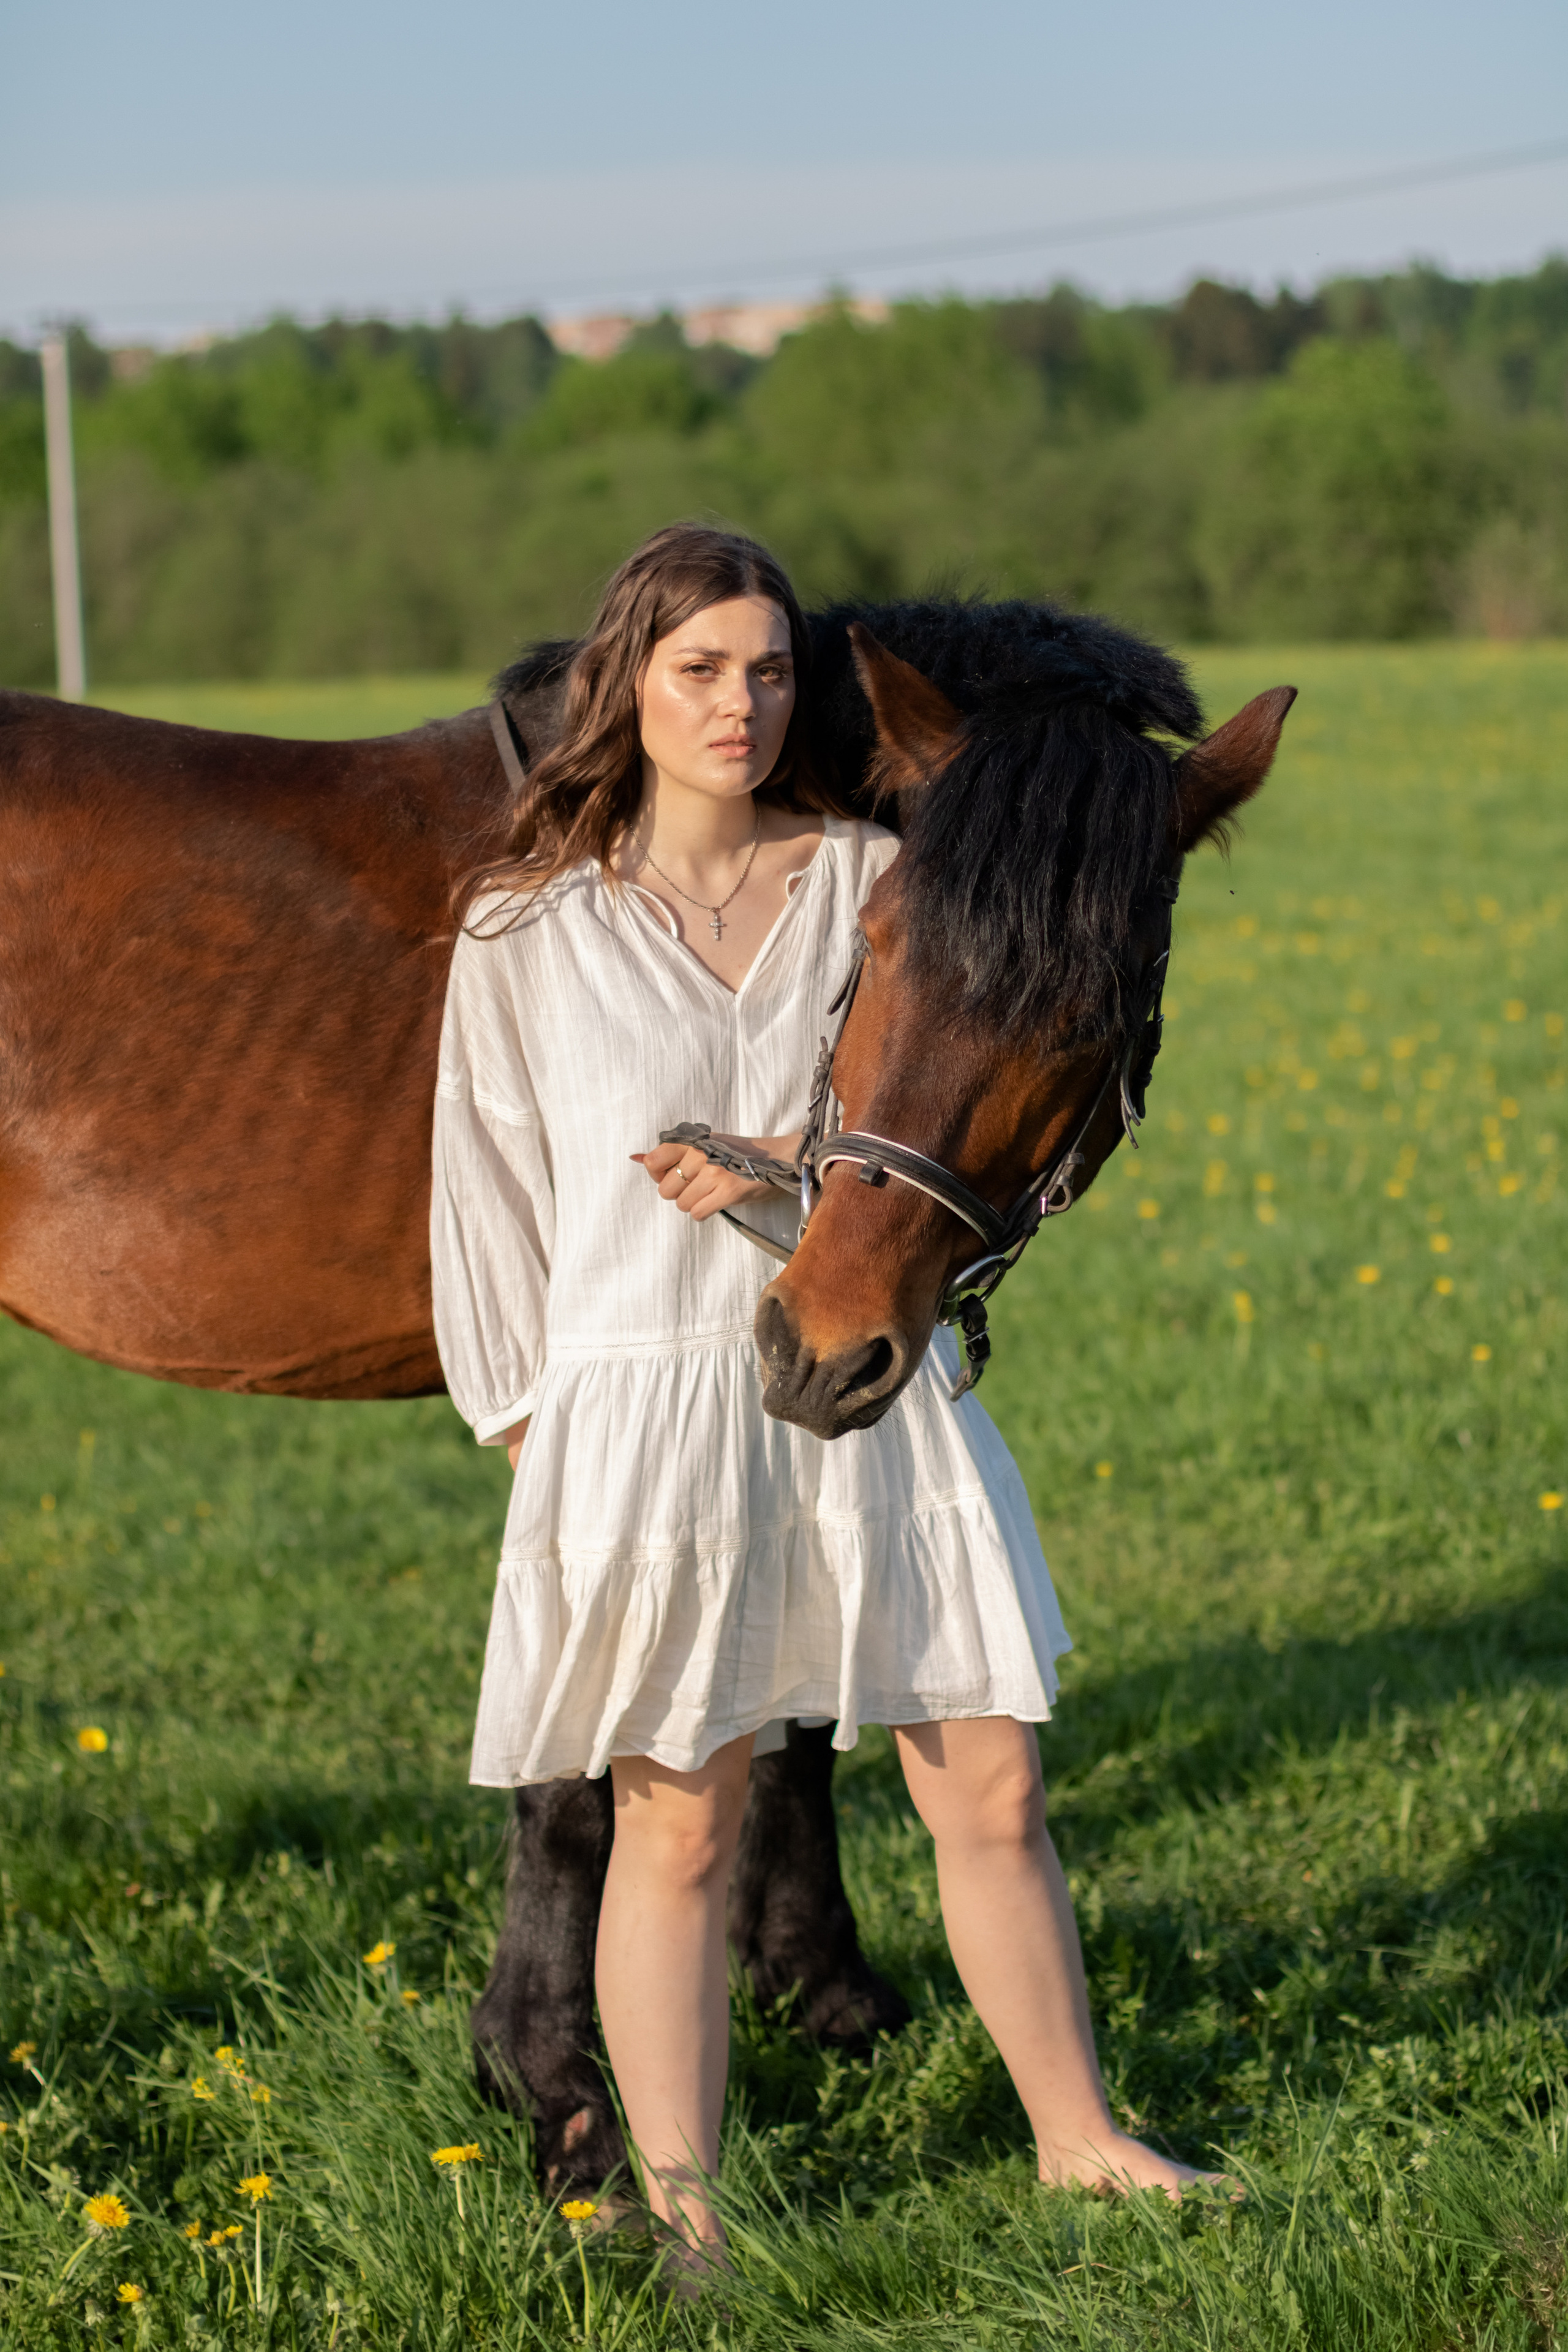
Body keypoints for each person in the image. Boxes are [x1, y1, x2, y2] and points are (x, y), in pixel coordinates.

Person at [430, 524, 1214, 2275]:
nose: (740, 703)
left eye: (772, 670)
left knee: (988, 1782)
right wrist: (530, 1426)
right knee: (683, 1818)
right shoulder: (530, 929)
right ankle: (695, 2216)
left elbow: (913, 1110)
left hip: (872, 1382)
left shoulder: (879, 872)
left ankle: (1081, 2141)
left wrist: (781, 1178)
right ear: (624, 680)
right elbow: (477, 1194)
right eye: (701, 668)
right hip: (642, 1400)